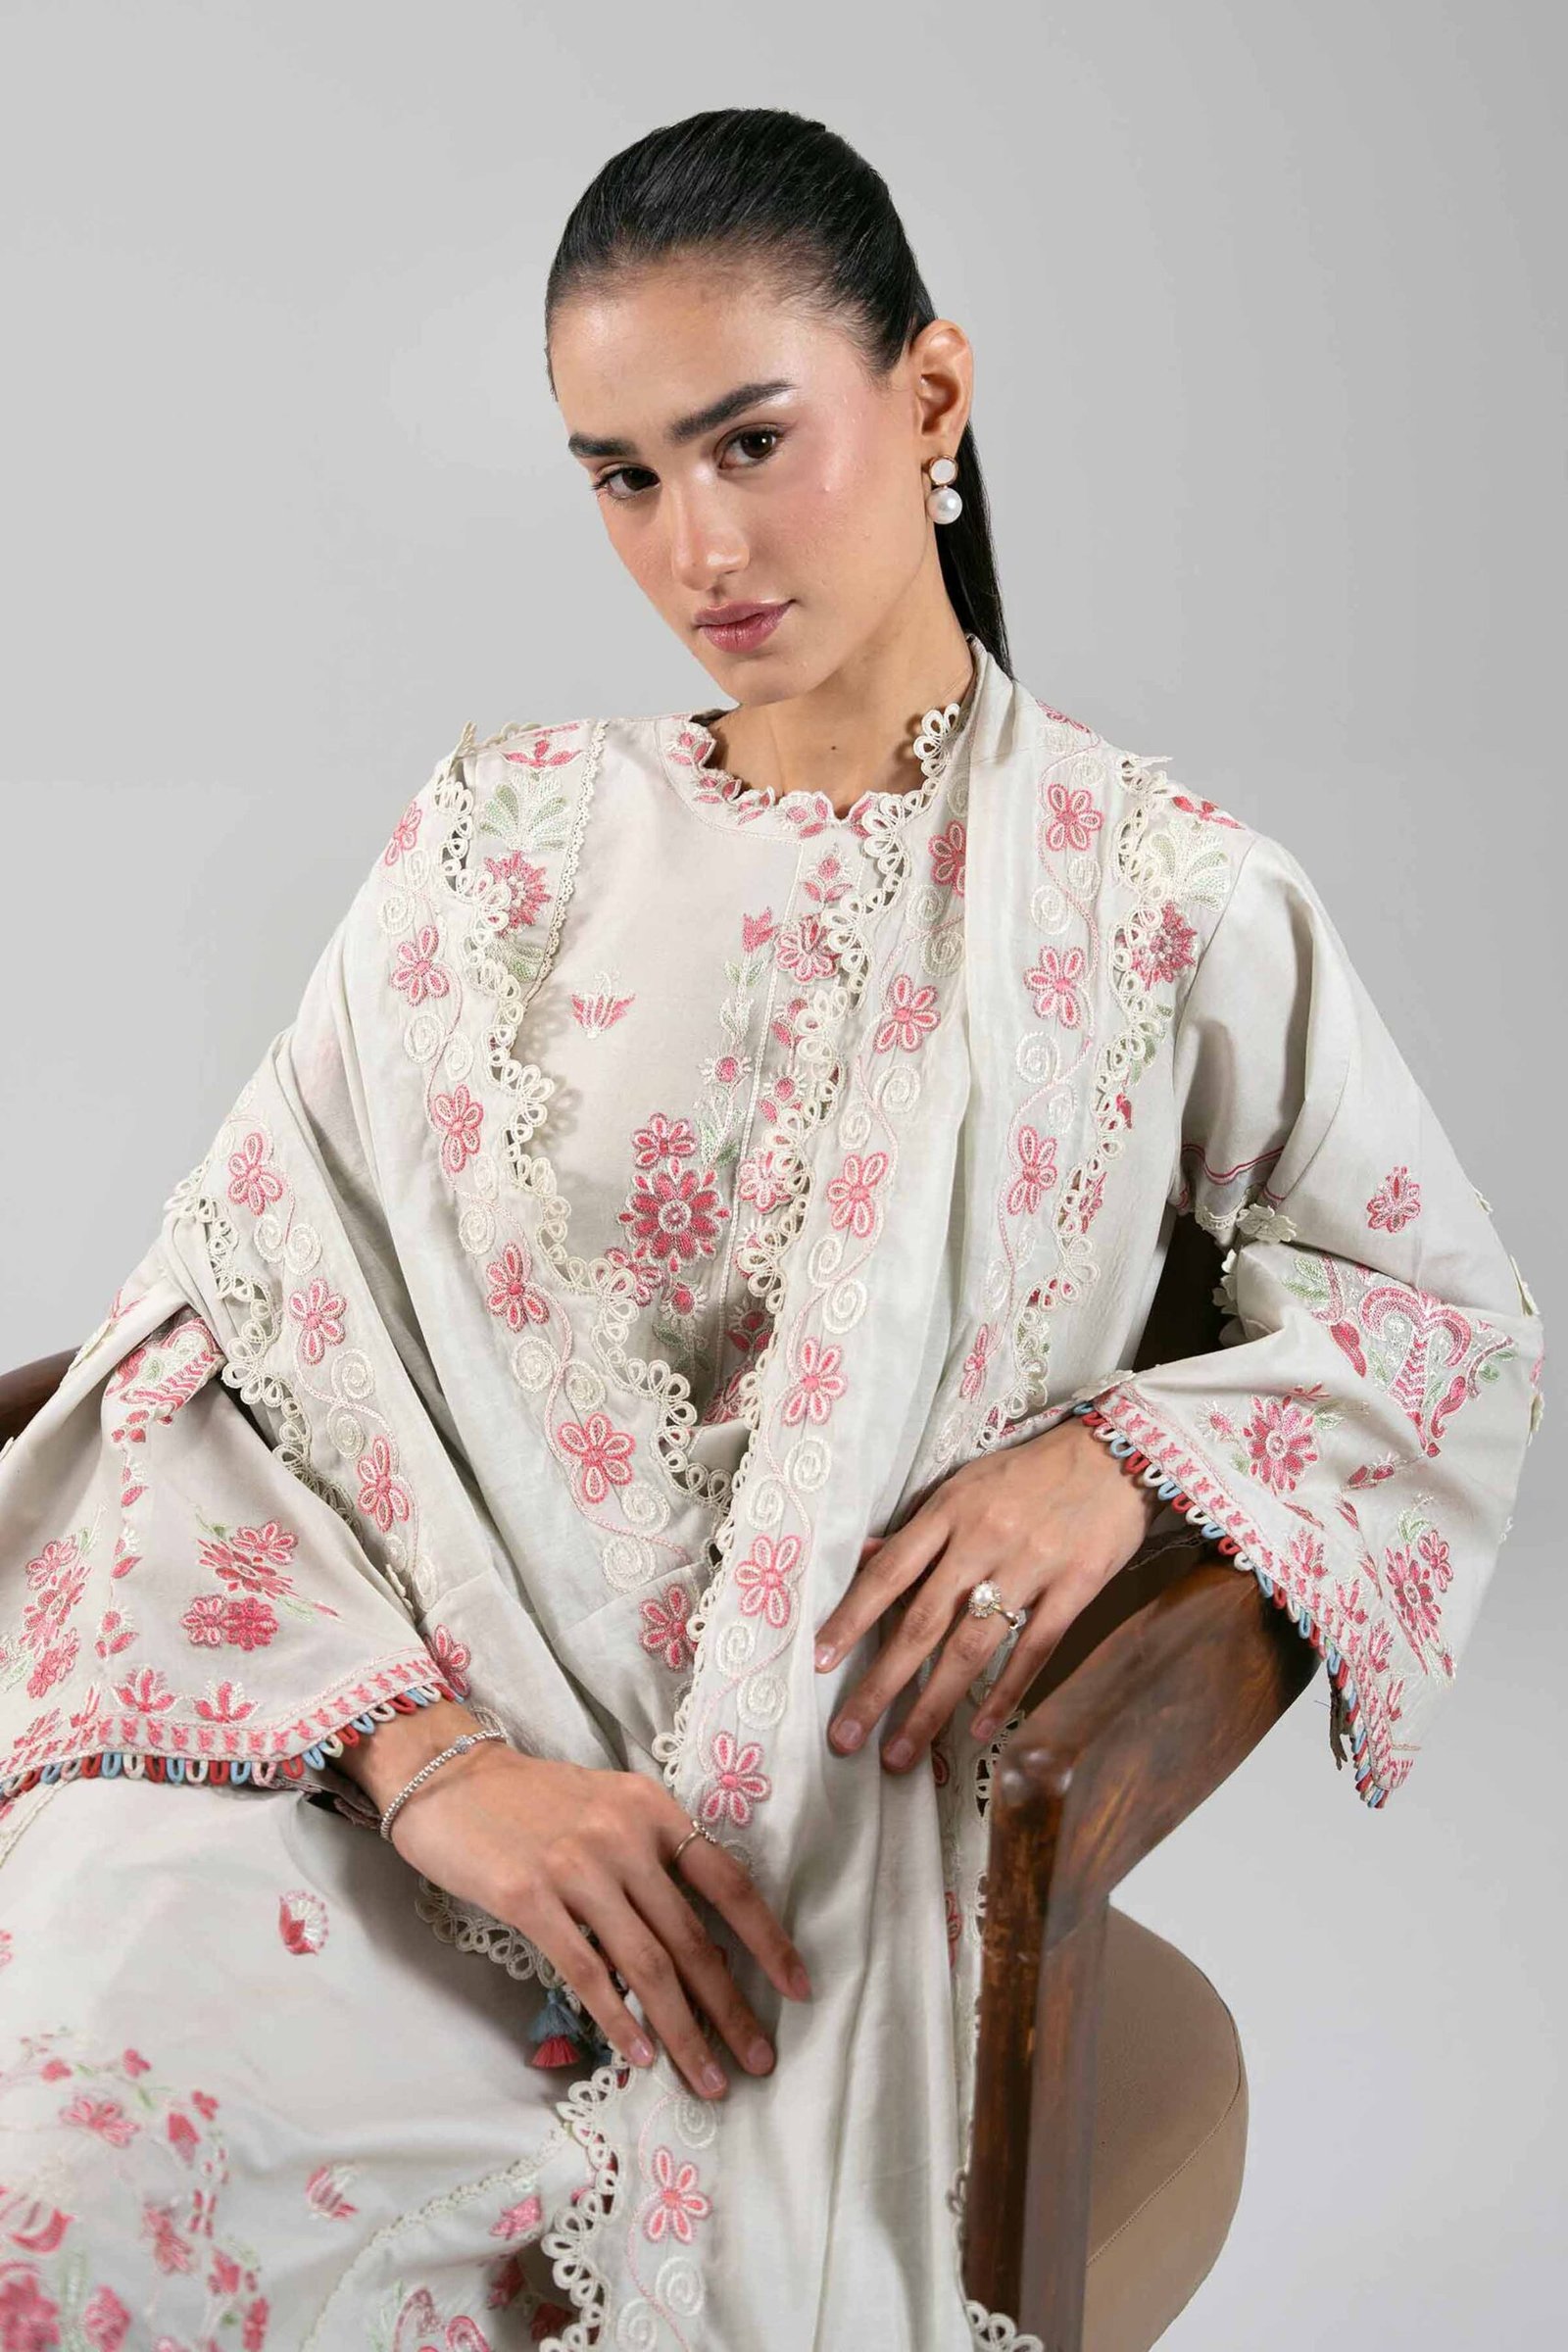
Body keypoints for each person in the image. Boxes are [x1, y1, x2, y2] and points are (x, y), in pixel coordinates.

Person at [0, 104, 1544, 2352]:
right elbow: (213, 1357)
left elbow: (1434, 1322)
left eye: (748, 440)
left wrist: (1120, 1455)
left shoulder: (1155, 903)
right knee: (48, 2175)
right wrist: (436, 1771)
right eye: (621, 476)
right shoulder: (489, 846)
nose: (695, 545)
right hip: (348, 1783)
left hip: (754, 1914)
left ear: (929, 395)